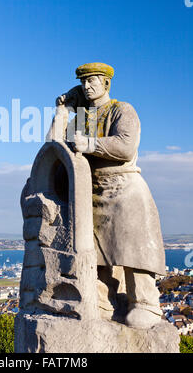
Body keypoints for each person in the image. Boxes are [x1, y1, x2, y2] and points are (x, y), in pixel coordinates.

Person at [56, 62, 166, 328]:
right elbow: (55, 150)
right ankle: (105, 302)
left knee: (132, 249)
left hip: (125, 190)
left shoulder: (122, 109)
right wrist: (61, 112)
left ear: (106, 83)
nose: (87, 85)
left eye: (93, 80)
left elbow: (126, 146)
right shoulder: (80, 119)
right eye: (83, 81)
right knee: (96, 254)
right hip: (91, 193)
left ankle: (146, 303)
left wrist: (90, 143)